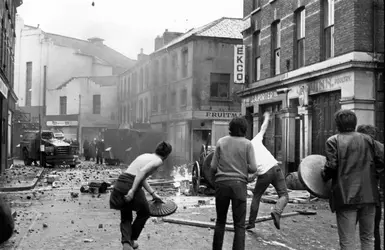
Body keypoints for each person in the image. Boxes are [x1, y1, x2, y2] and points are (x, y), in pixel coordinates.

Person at [321, 110, 384, 249]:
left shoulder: (333, 140)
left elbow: (331, 166)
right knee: (368, 238)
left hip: (346, 195)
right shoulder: (368, 139)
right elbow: (381, 162)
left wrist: (323, 175)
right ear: (355, 123)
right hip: (369, 195)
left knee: (347, 241)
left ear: (337, 124)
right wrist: (375, 179)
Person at [109, 141, 172, 250]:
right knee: (144, 212)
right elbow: (141, 173)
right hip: (130, 183)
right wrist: (132, 191)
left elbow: (141, 176)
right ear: (167, 155)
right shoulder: (158, 161)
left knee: (126, 215)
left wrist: (153, 193)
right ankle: (132, 239)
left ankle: (127, 244)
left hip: (121, 182)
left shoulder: (145, 155)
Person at [210, 116, 258, 250]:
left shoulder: (221, 142)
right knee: (240, 224)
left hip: (221, 184)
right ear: (244, 129)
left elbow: (213, 167)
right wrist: (242, 166)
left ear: (230, 128)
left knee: (220, 221)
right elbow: (253, 168)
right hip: (239, 186)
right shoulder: (247, 144)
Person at [246, 112, 289, 230]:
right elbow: (263, 128)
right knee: (284, 195)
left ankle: (251, 223)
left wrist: (251, 177)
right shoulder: (254, 141)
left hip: (264, 173)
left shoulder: (245, 152)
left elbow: (253, 170)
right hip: (275, 167)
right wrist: (267, 118)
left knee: (257, 196)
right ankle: (277, 211)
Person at [356, 124, 384, 250]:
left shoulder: (353, 146)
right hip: (373, 195)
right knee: (373, 231)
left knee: (348, 233)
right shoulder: (380, 147)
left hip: (353, 194)